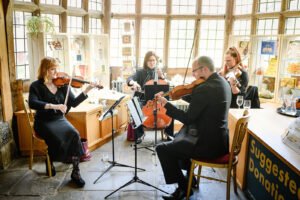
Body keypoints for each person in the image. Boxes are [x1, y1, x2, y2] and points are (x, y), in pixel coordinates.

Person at [155, 56, 231, 200]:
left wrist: (166, 104)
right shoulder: (222, 82)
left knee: (163, 148)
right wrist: (177, 94)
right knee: (179, 137)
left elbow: (187, 118)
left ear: (205, 69)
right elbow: (201, 102)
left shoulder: (206, 88)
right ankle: (191, 179)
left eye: (195, 71)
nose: (193, 75)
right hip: (220, 141)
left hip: (208, 145)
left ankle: (184, 187)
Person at [29, 57, 97, 187]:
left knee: (74, 134)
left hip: (58, 119)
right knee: (56, 137)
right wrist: (54, 106)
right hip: (43, 121)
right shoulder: (36, 86)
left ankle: (76, 172)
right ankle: (50, 158)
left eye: (56, 68)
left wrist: (87, 89)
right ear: (45, 70)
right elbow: (33, 102)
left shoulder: (62, 85)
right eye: (52, 69)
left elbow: (74, 103)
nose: (56, 72)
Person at [126, 51, 173, 142]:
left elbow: (167, 85)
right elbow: (129, 79)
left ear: (156, 61)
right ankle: (140, 134)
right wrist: (134, 83)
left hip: (158, 100)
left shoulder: (160, 72)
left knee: (170, 108)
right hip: (144, 99)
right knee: (135, 108)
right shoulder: (140, 72)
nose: (151, 62)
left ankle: (168, 133)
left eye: (153, 60)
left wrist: (162, 77)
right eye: (149, 60)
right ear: (146, 62)